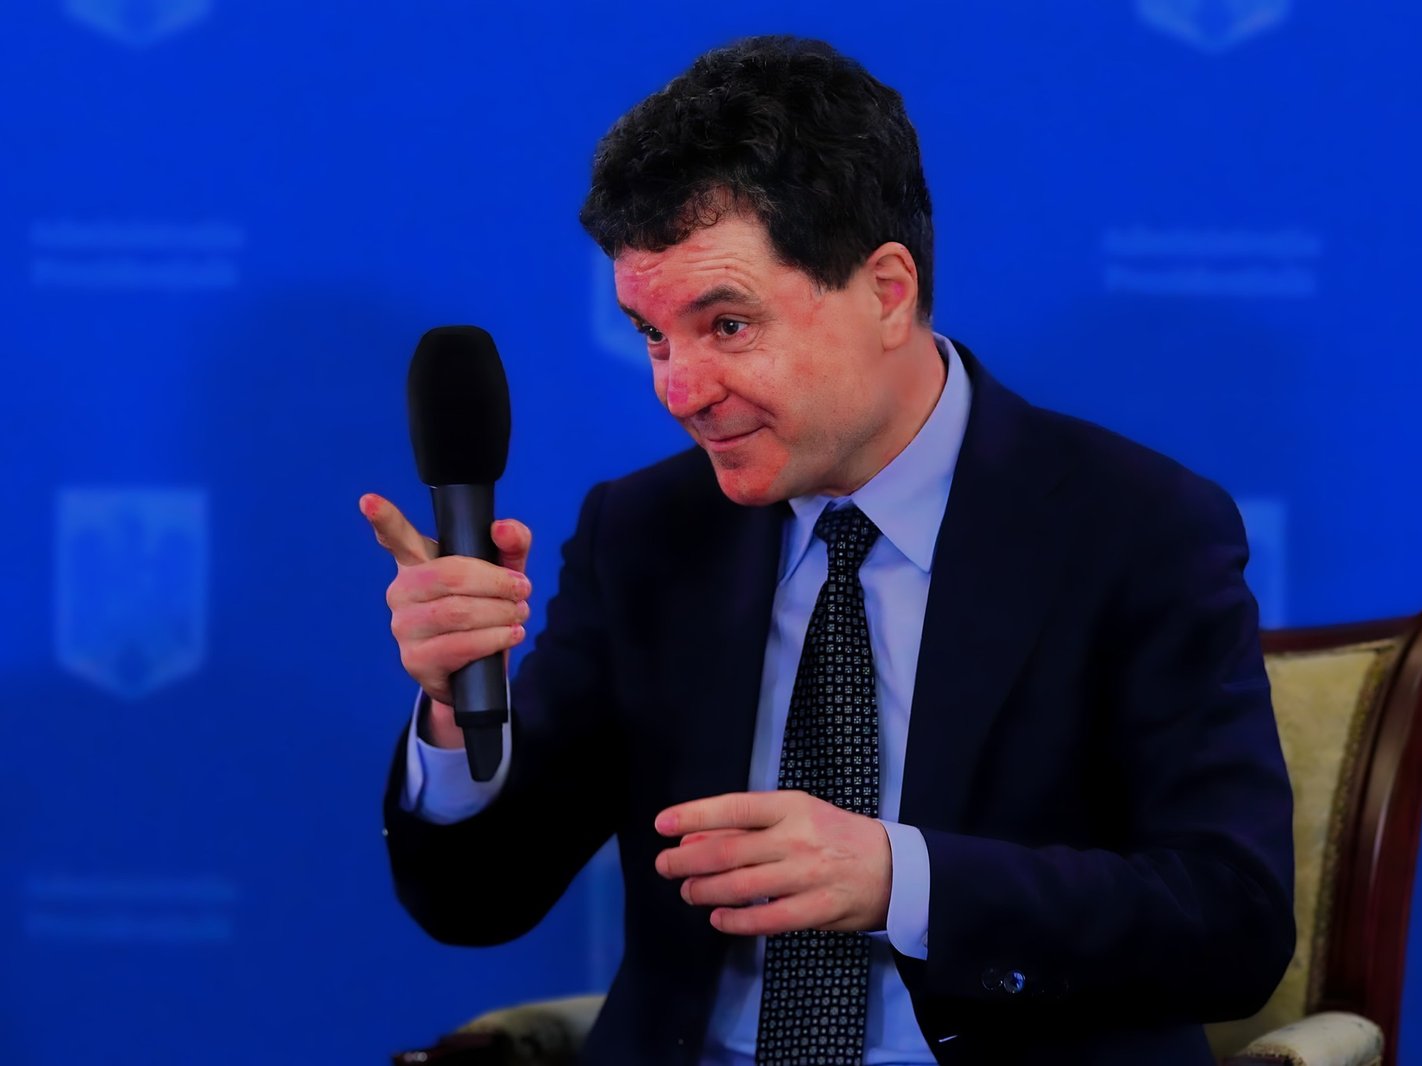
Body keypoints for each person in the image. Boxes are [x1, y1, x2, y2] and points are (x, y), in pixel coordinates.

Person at [364, 35, 1295, 1066]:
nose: (678, 389)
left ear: (886, 291)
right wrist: (454, 709)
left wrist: (903, 879)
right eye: (652, 335)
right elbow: (478, 899)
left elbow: (1233, 919)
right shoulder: (647, 533)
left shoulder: (1133, 526)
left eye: (727, 325)